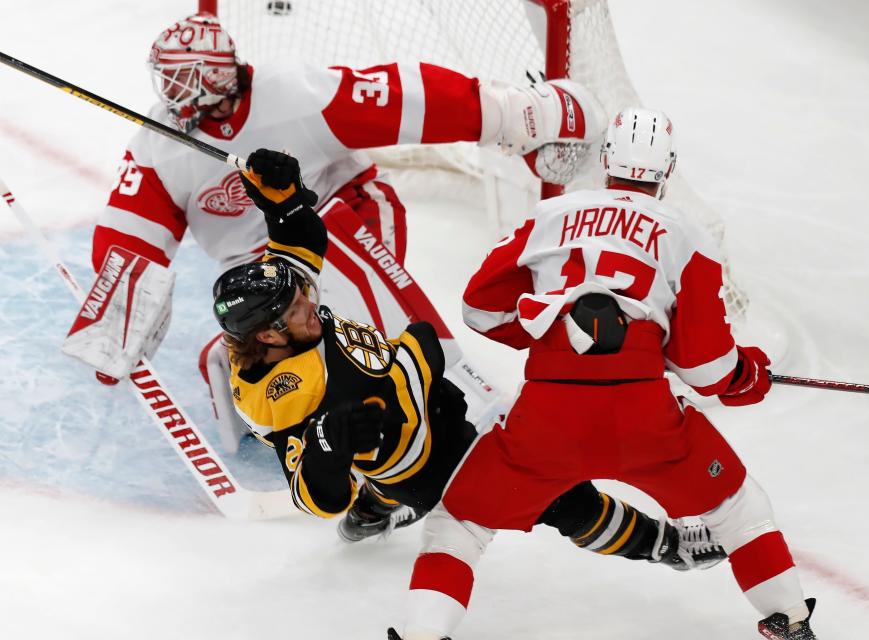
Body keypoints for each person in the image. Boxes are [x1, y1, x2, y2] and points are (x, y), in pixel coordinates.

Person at [61, 11, 603, 452]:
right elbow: (130, 232)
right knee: (258, 346)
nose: (168, 93)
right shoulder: (161, 143)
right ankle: (302, 430)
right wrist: (120, 312)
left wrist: (511, 114)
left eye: (179, 79)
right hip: (265, 270)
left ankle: (451, 391)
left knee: (341, 307)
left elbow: (399, 98)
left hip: (348, 216)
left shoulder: (291, 93)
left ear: (214, 80)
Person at [392, 108, 818, 640]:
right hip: (646, 420)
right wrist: (745, 375)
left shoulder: (552, 215)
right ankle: (790, 621)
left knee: (457, 525)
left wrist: (547, 335)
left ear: (605, 160)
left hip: (545, 418)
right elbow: (706, 368)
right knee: (739, 509)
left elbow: (480, 308)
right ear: (667, 170)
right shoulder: (685, 231)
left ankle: (421, 635)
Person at [212, 148, 727, 563]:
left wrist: (284, 207)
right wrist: (328, 446)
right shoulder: (279, 395)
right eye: (295, 308)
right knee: (559, 498)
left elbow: (299, 246)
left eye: (301, 295)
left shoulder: (280, 312)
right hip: (429, 461)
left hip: (417, 405)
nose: (309, 299)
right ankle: (665, 546)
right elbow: (316, 497)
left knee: (382, 455)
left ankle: (375, 510)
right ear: (267, 339)